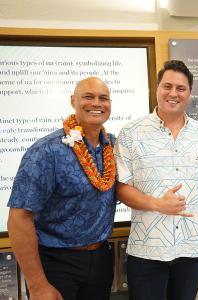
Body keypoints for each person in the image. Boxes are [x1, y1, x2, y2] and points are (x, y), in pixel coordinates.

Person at [114, 60, 198, 300]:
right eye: (167, 86)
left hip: (193, 247)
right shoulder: (131, 133)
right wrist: (157, 204)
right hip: (148, 250)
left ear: (189, 93)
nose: (173, 94)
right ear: (156, 89)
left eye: (181, 88)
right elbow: (122, 188)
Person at [7, 77, 116, 300]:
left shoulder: (114, 146)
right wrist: (37, 285)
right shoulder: (46, 151)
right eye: (88, 96)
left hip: (101, 260)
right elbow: (19, 218)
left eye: (103, 98)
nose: (97, 103)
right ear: (73, 101)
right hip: (56, 263)